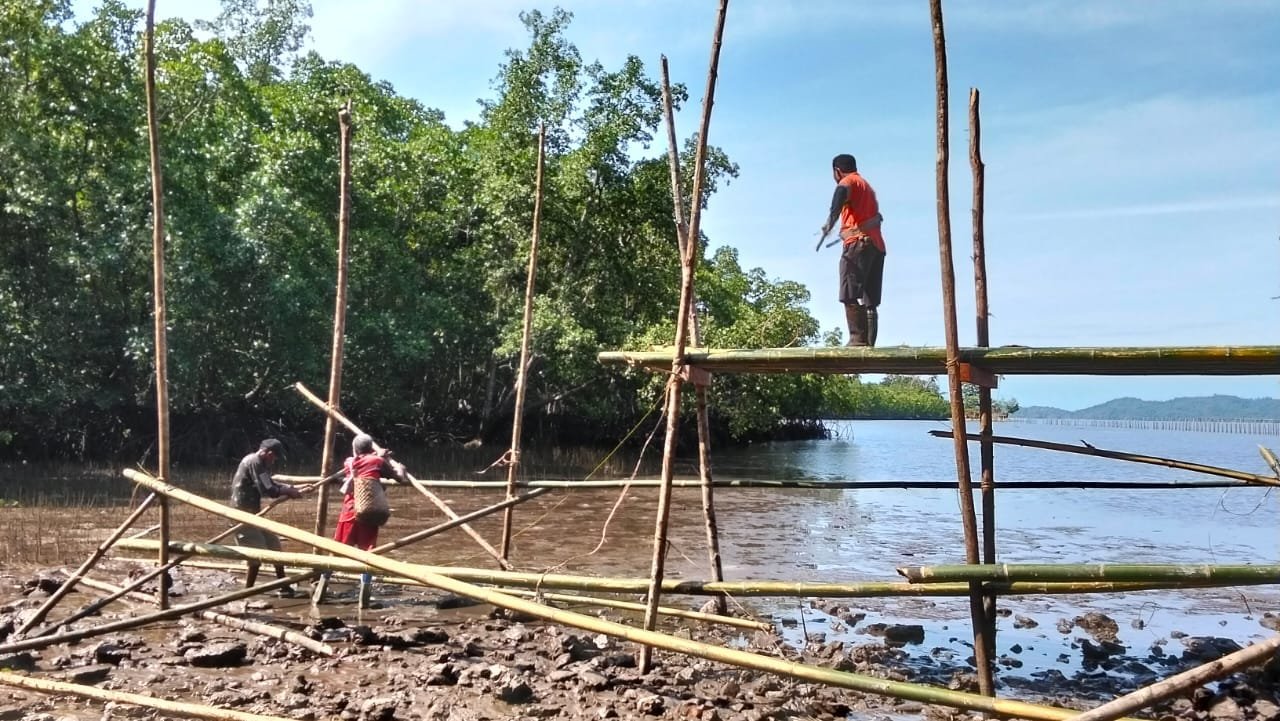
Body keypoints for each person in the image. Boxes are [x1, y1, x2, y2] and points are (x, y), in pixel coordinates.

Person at [818, 153, 886, 347]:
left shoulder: (847, 182)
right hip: (876, 246)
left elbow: (840, 193)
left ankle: (857, 340)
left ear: (837, 171)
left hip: (858, 244)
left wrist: (830, 222)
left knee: (849, 292)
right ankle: (869, 345)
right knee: (870, 300)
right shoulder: (866, 186)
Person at [332, 433, 407, 607]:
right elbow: (399, 477)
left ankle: (322, 584)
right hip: (369, 512)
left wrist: (378, 456)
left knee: (336, 550)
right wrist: (399, 467)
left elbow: (361, 463)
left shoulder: (349, 462)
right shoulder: (377, 461)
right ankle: (364, 597)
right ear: (371, 448)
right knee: (368, 553)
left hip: (349, 512)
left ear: (355, 449)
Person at [229, 438, 303, 597]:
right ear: (268, 453)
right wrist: (288, 491)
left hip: (253, 515)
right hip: (242, 515)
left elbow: (269, 483)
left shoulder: (258, 463)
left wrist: (290, 488)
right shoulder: (255, 462)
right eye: (273, 457)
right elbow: (267, 490)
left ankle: (283, 586)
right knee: (256, 555)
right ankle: (247, 592)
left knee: (274, 545)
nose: (273, 460)